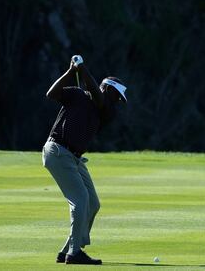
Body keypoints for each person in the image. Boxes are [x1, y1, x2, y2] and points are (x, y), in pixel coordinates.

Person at [42, 55, 128, 265]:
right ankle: (74, 253)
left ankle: (68, 250)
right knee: (80, 201)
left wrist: (83, 68)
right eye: (117, 97)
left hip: (74, 159)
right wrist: (72, 72)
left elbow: (98, 99)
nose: (117, 103)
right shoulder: (77, 95)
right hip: (58, 152)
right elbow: (51, 93)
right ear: (108, 89)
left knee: (93, 204)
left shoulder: (105, 110)